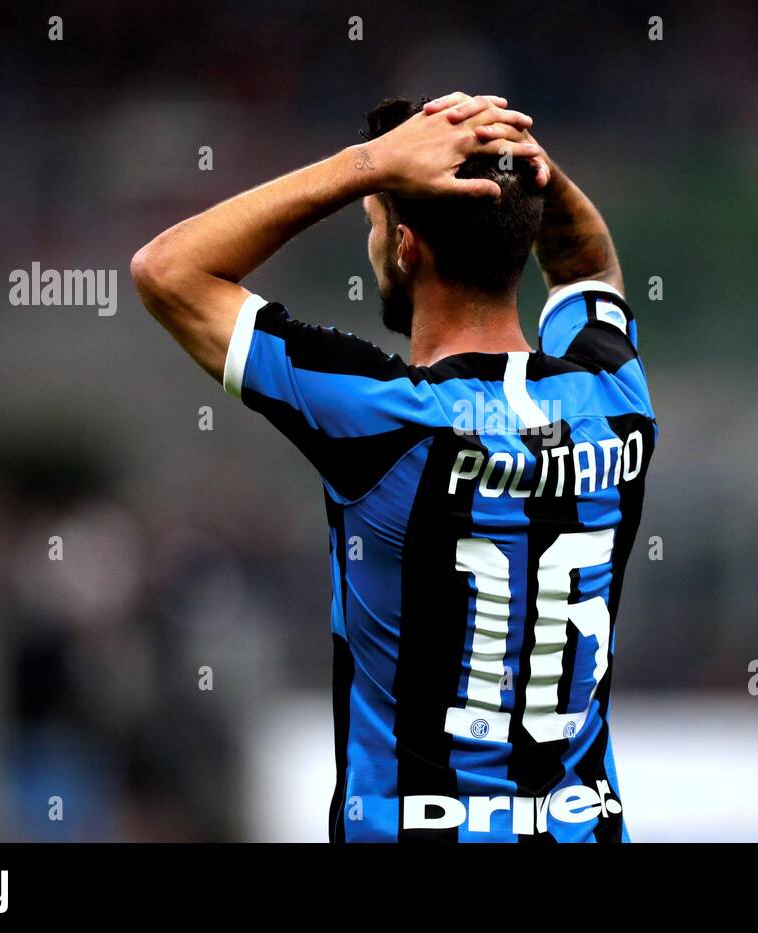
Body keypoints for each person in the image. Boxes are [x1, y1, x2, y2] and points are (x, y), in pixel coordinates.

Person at [131, 93, 656, 842]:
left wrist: (366, 165)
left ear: (407, 245)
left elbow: (167, 269)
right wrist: (521, 163)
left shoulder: (382, 415)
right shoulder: (616, 396)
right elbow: (587, 262)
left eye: (374, 224)